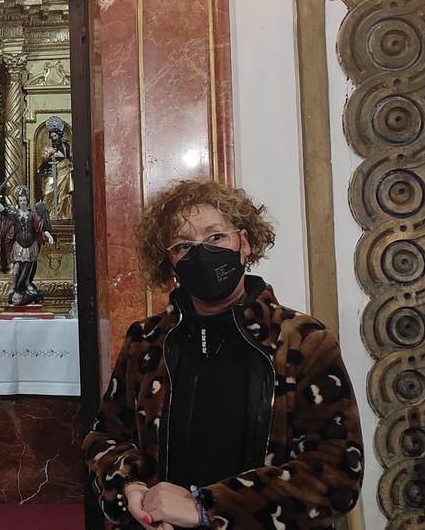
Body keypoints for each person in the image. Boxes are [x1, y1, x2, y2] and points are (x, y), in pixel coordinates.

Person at [83, 180, 363, 529]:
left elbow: (336, 471)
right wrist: (130, 488)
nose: (202, 253)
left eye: (216, 237)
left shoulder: (303, 340)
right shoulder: (146, 341)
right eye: (184, 246)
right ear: (170, 263)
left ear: (244, 244)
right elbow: (105, 435)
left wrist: (207, 507)